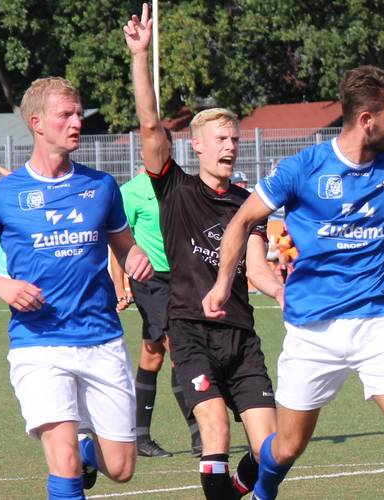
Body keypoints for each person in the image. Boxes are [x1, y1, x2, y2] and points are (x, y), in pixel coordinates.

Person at [202, 65, 384, 500]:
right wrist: (223, 283)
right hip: (313, 329)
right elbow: (242, 220)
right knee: (287, 446)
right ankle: (262, 492)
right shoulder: (303, 168)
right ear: (366, 120)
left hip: (378, 322)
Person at [0, 76, 151, 499]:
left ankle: (90, 447)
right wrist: (2, 285)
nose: (77, 122)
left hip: (102, 339)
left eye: (78, 114)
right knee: (64, 462)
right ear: (37, 123)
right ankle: (77, 455)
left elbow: (126, 247)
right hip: (37, 344)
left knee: (122, 468)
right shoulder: (2, 196)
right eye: (66, 115)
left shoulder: (101, 186)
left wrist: (135, 259)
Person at [125, 8, 284, 495]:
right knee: (215, 428)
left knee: (274, 449)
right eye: (220, 138)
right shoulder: (174, 189)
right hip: (191, 331)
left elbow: (256, 267)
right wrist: (141, 55)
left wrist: (283, 293)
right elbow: (151, 127)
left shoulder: (247, 201)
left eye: (234, 138)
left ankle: (237, 486)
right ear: (195, 145)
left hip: (242, 336)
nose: (230, 145)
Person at [109, 165, 189, 460]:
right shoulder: (130, 192)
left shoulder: (180, 187)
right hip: (149, 281)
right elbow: (117, 245)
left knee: (153, 354)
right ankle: (199, 432)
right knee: (178, 345)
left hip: (181, 278)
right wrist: (120, 286)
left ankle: (140, 437)